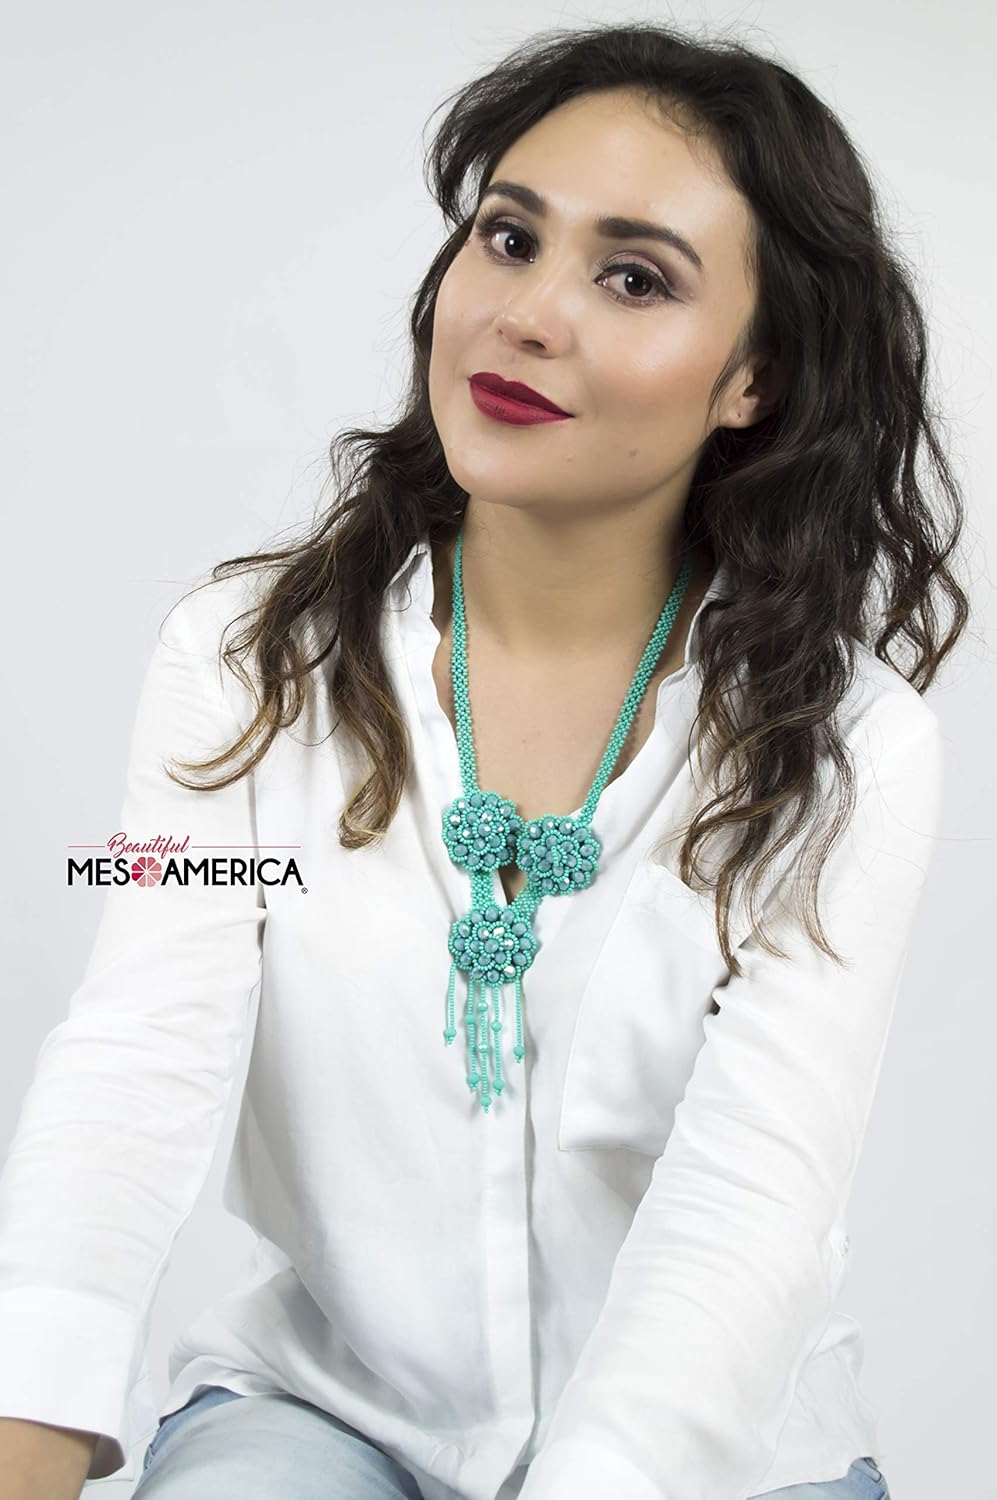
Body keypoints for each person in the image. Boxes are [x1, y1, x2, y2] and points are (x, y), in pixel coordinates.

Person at [0, 20, 969, 1500]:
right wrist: (27, 1427)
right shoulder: (241, 664)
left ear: (754, 382)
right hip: (326, 1411)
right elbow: (138, 1054)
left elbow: (748, 1208)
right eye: (509, 238)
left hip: (704, 1460)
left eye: (633, 278)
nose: (525, 315)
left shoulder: (849, 750)